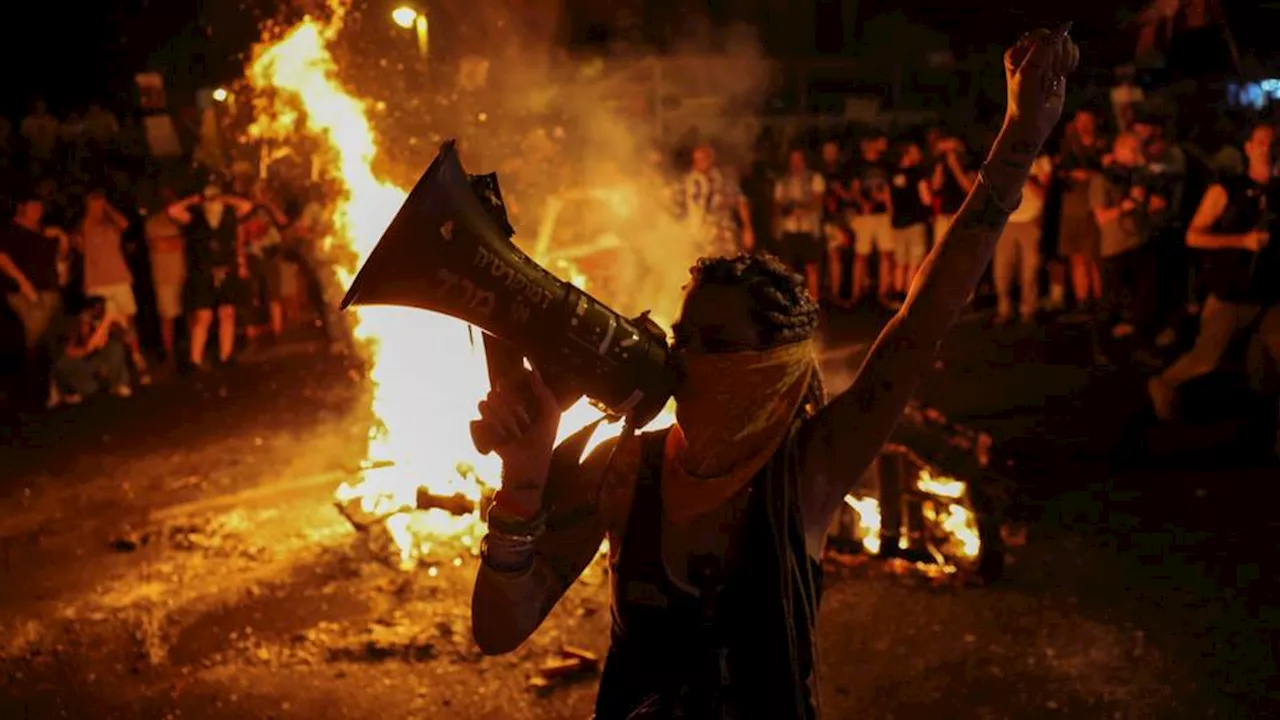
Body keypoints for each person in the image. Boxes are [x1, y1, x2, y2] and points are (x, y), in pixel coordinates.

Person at [470, 27, 1078, 719]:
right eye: (685, 336)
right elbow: (499, 630)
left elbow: (921, 320)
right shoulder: (623, 468)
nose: (686, 356)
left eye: (717, 341)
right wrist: (521, 485)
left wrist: (1019, 141)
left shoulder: (808, 472)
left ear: (776, 366)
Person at [1149, 123, 1280, 421]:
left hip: (1271, 294)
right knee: (1206, 358)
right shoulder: (1225, 189)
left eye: (1272, 143)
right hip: (1231, 292)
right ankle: (1164, 385)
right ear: (1247, 147)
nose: (1267, 149)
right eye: (1260, 142)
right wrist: (1242, 241)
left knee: (1267, 364)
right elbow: (1193, 236)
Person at [166, 183, 255, 369]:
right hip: (202, 272)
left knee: (227, 313)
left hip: (226, 270)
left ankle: (226, 356)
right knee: (203, 316)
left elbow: (247, 206)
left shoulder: (230, 216)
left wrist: (223, 198)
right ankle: (195, 360)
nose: (212, 202)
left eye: (215, 198)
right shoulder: (195, 218)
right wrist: (193, 200)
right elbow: (173, 211)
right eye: (209, 198)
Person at [1090, 133, 1161, 340]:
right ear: (1117, 151)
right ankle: (1101, 344)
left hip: (1139, 243)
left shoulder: (1138, 177)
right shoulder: (1101, 180)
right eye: (1131, 149)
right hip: (1115, 248)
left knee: (1141, 299)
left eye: (1138, 148)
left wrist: (1150, 204)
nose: (1136, 153)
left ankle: (1137, 341)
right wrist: (1126, 205)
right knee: (1110, 301)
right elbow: (1101, 216)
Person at [77, 189, 150, 384]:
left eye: (99, 203)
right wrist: (91, 212)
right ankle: (105, 366)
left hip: (119, 280)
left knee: (127, 322)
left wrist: (107, 207)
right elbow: (81, 238)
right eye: (94, 204)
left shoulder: (111, 226)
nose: (97, 207)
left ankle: (136, 357)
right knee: (101, 325)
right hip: (97, 284)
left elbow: (125, 225)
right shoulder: (85, 226)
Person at [0, 191, 67, 386]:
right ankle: (34, 386)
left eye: (40, 207)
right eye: (33, 206)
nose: (38, 210)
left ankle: (53, 385)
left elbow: (60, 258)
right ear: (21, 208)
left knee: (53, 339)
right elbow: (3, 259)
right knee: (35, 341)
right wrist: (25, 284)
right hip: (28, 295)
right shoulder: (11, 231)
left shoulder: (42, 232)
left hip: (50, 292)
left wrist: (62, 237)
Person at [1056, 108, 1106, 312]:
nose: (1084, 125)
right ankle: (1082, 302)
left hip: (1094, 208)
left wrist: (1091, 175)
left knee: (1094, 257)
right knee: (1076, 257)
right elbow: (1060, 173)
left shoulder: (1103, 146)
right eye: (1080, 121)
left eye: (1088, 120)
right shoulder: (1067, 147)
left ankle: (1100, 300)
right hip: (1072, 210)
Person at [994, 154, 1053, 324]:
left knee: (1030, 268)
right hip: (1007, 221)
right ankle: (1004, 309)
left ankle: (1029, 309)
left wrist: (1024, 177)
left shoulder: (1041, 162)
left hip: (1030, 220)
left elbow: (1043, 194)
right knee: (1002, 270)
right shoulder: (1002, 158)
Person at [50, 297, 133, 407]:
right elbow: (84, 349)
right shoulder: (71, 325)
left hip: (89, 361)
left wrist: (118, 322)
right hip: (71, 364)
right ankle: (66, 390)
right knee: (88, 386)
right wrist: (107, 320)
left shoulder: (96, 323)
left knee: (115, 348)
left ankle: (117, 384)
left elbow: (126, 338)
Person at [773, 148, 826, 301]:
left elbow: (817, 201)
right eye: (793, 159)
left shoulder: (814, 178)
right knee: (788, 267)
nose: (795, 163)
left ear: (804, 161)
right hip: (789, 229)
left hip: (808, 229)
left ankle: (813, 301)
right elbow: (777, 204)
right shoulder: (782, 181)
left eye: (799, 159)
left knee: (811, 267)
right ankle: (790, 302)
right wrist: (787, 212)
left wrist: (802, 209)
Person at [849, 132, 894, 305]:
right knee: (861, 254)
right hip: (865, 216)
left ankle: (883, 293)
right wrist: (862, 203)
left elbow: (888, 189)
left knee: (886, 253)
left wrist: (890, 209)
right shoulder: (858, 165)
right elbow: (854, 189)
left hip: (882, 215)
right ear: (870, 143)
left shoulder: (885, 165)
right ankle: (855, 293)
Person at [145, 186, 187, 361]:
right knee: (167, 317)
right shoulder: (153, 223)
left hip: (183, 274)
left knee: (191, 314)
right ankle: (169, 352)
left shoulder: (182, 222)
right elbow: (159, 245)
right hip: (164, 276)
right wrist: (177, 241)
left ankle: (191, 351)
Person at [888, 139, 932, 303]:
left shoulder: (892, 174)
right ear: (907, 154)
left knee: (900, 261)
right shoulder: (917, 173)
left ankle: (897, 294)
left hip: (898, 223)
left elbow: (889, 199)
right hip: (915, 221)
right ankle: (908, 295)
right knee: (914, 261)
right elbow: (926, 198)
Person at [817, 139, 854, 307]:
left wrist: (839, 190)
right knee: (820, 257)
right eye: (826, 151)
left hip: (836, 219)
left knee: (835, 255)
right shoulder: (819, 172)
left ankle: (835, 292)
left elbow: (850, 197)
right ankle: (821, 291)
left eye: (832, 150)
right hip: (819, 219)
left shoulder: (844, 172)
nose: (829, 154)